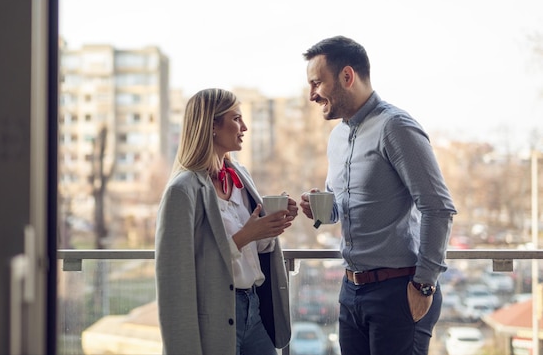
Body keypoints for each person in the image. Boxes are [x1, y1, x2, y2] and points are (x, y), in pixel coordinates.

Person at [299, 36, 457, 355]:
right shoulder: (338, 137)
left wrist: (424, 285)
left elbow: (438, 208)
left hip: (399, 291)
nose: (312, 95)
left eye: (317, 83)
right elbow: (341, 208)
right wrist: (320, 209)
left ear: (347, 76)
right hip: (351, 292)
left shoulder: (395, 127)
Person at [155, 88, 297, 355]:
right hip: (215, 314)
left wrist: (271, 225)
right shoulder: (182, 190)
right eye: (236, 119)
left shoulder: (239, 175)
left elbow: (257, 249)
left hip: (254, 309)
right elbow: (175, 276)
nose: (244, 127)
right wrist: (247, 234)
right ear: (212, 126)